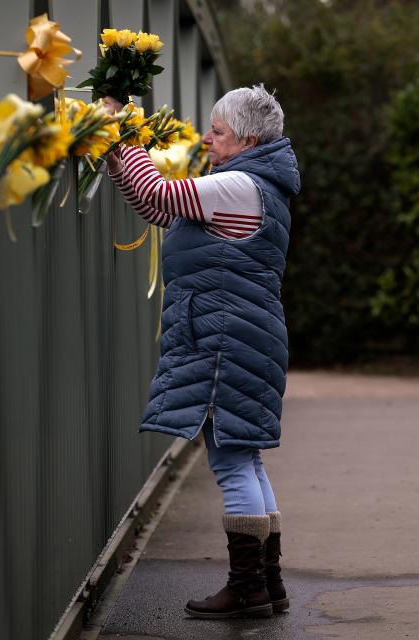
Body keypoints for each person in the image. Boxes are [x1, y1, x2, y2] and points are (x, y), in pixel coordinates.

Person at [103, 84, 300, 619]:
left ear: (247, 139)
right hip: (242, 332)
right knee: (245, 456)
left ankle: (247, 589)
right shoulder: (257, 186)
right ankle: (268, 584)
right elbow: (154, 205)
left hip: (224, 336)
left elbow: (164, 196)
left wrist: (120, 129)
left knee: (232, 461)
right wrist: (118, 151)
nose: (207, 139)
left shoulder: (239, 184)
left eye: (217, 131)